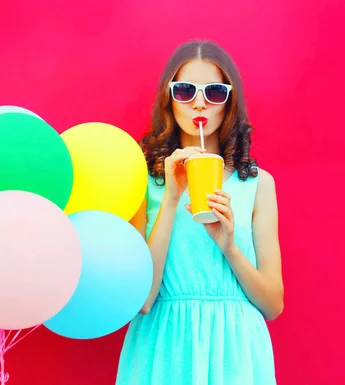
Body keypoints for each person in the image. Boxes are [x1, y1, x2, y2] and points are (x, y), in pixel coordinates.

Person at [115, 40, 284, 385]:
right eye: (185, 90)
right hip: (163, 346)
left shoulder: (258, 185)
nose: (199, 102)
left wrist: (230, 248)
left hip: (235, 349)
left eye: (215, 92)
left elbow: (273, 304)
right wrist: (172, 198)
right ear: (169, 99)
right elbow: (143, 301)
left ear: (229, 102)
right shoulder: (143, 181)